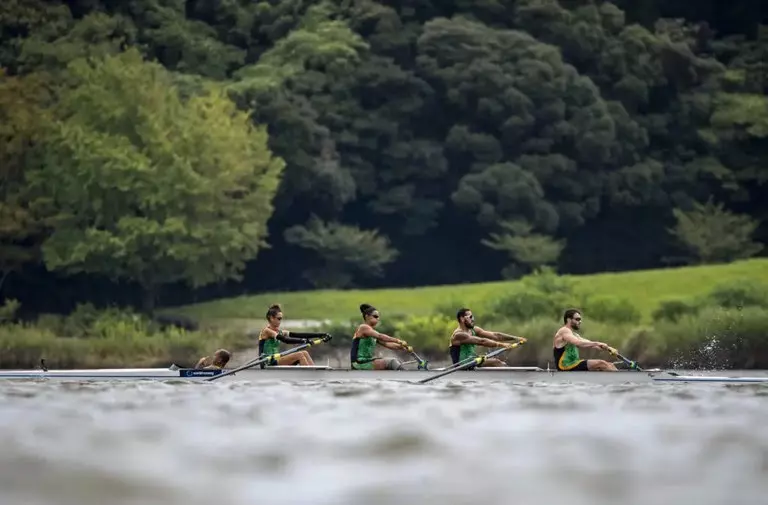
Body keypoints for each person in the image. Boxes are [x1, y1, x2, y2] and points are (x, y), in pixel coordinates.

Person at [449, 308, 526, 367]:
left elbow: (496, 335)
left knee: (499, 363)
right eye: (470, 317)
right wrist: (502, 345)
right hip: (462, 364)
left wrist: (516, 338)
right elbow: (481, 341)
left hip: (472, 360)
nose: (473, 319)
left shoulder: (474, 330)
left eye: (473, 317)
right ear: (462, 319)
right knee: (496, 362)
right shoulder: (458, 334)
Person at [258, 304, 329, 367]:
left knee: (305, 352)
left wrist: (321, 335)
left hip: (276, 359)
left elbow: (297, 335)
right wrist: (304, 341)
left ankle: (313, 374)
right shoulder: (267, 331)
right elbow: (286, 340)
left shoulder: (280, 332)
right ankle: (309, 378)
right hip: (267, 362)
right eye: (278, 319)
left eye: (281, 319)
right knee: (300, 355)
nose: (280, 321)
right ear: (271, 318)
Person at [553, 309, 618, 371]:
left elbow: (588, 342)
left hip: (573, 364)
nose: (580, 321)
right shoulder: (564, 331)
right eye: (577, 319)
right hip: (564, 366)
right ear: (569, 320)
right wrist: (598, 343)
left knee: (610, 365)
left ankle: (618, 380)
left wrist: (608, 348)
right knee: (601, 363)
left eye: (580, 319)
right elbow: (578, 343)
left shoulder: (574, 334)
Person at [351, 304, 412, 370]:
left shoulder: (372, 333)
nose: (378, 319)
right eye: (375, 316)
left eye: (378, 317)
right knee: (392, 362)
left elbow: (388, 344)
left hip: (366, 362)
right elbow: (380, 336)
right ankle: (408, 376)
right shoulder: (363, 327)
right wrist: (398, 341)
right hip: (359, 363)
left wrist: (403, 347)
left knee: (395, 362)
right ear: (367, 316)